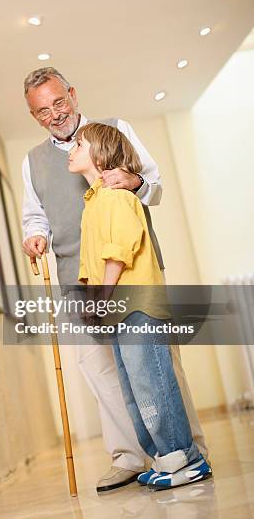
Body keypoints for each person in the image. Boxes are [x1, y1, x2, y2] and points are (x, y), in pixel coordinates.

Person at [22, 66, 207, 492]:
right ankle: (131, 456)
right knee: (111, 373)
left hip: (130, 279)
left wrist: (134, 180)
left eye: (59, 103)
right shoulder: (33, 161)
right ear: (34, 116)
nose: (54, 114)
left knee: (156, 365)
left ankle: (187, 448)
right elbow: (35, 215)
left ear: (72, 93)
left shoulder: (113, 131)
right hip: (79, 281)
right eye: (42, 111)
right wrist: (35, 236)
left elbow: (153, 188)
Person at [68, 122, 212, 489]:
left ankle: (188, 459)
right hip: (118, 311)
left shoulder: (117, 198)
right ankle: (164, 459)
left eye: (80, 144)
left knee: (154, 385)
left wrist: (101, 297)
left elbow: (117, 253)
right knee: (134, 392)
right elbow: (91, 262)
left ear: (100, 155)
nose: (72, 148)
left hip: (137, 308)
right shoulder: (92, 204)